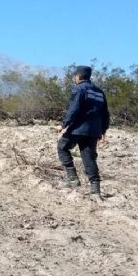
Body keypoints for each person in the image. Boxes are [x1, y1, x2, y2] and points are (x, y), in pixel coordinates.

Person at [56, 66, 110, 199]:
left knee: (62, 147)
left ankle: (73, 179)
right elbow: (105, 113)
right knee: (89, 158)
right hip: (94, 131)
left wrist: (63, 124)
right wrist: (103, 130)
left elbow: (74, 109)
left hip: (78, 129)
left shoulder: (79, 89)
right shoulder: (99, 92)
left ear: (78, 77)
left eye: (76, 76)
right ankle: (95, 191)